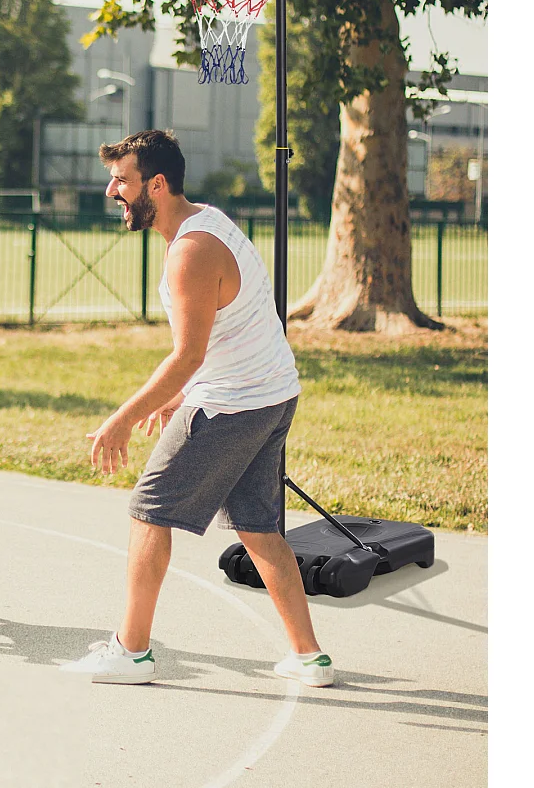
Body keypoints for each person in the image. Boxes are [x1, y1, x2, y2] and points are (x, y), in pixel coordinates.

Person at [62, 130, 333, 687]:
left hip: (233, 404)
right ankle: (309, 657)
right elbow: (229, 330)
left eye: (123, 181)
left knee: (148, 512)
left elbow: (187, 354)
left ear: (156, 185)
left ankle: (131, 651)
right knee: (259, 529)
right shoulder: (205, 222)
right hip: (272, 394)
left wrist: (122, 418)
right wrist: (185, 392)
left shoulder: (190, 249)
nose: (113, 190)